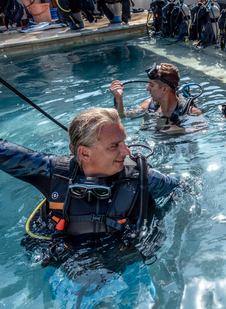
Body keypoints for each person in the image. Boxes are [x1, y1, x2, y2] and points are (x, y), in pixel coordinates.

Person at [0, 107, 180, 304]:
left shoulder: (141, 177)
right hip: (69, 271)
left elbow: (180, 190)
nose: (126, 151)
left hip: (127, 265)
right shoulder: (54, 174)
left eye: (124, 141)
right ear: (84, 153)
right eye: (114, 145)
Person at [110, 63, 202, 132]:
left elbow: (203, 130)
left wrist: (181, 130)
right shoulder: (148, 104)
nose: (147, 89)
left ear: (164, 89)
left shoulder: (190, 111)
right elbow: (122, 117)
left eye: (151, 85)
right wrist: (119, 98)